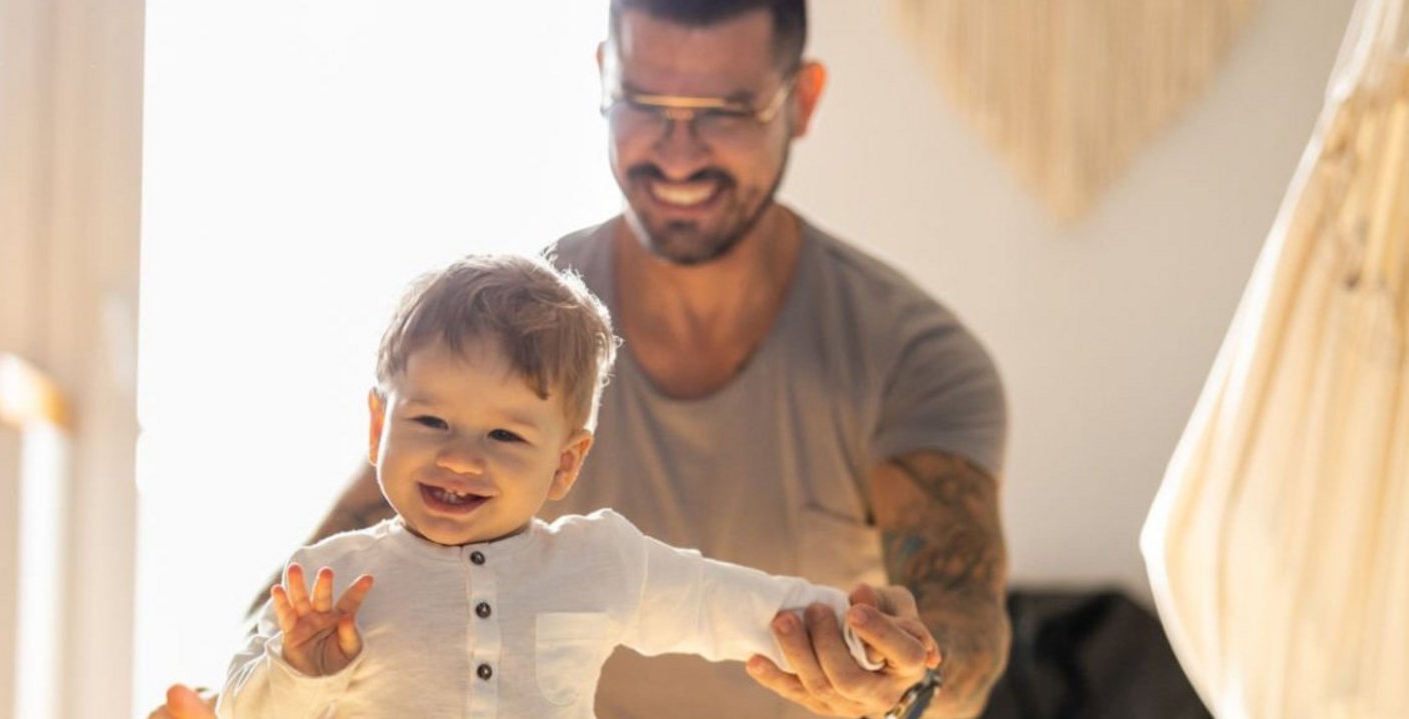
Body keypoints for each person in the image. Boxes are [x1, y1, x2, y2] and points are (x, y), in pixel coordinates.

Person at [156, 0, 1010, 716]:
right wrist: (249, 685)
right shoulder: (509, 332)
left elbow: (961, 625)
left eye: (724, 110)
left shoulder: (911, 357)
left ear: (803, 100)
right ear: (603, 77)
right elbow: (311, 593)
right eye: (642, 99)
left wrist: (907, 676)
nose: (677, 152)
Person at [217, 254, 937, 717]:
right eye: (431, 420)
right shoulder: (329, 582)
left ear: (566, 462)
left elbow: (722, 603)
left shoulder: (598, 560)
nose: (460, 458)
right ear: (378, 427)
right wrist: (299, 671)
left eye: (504, 436)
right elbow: (235, 711)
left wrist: (857, 634)